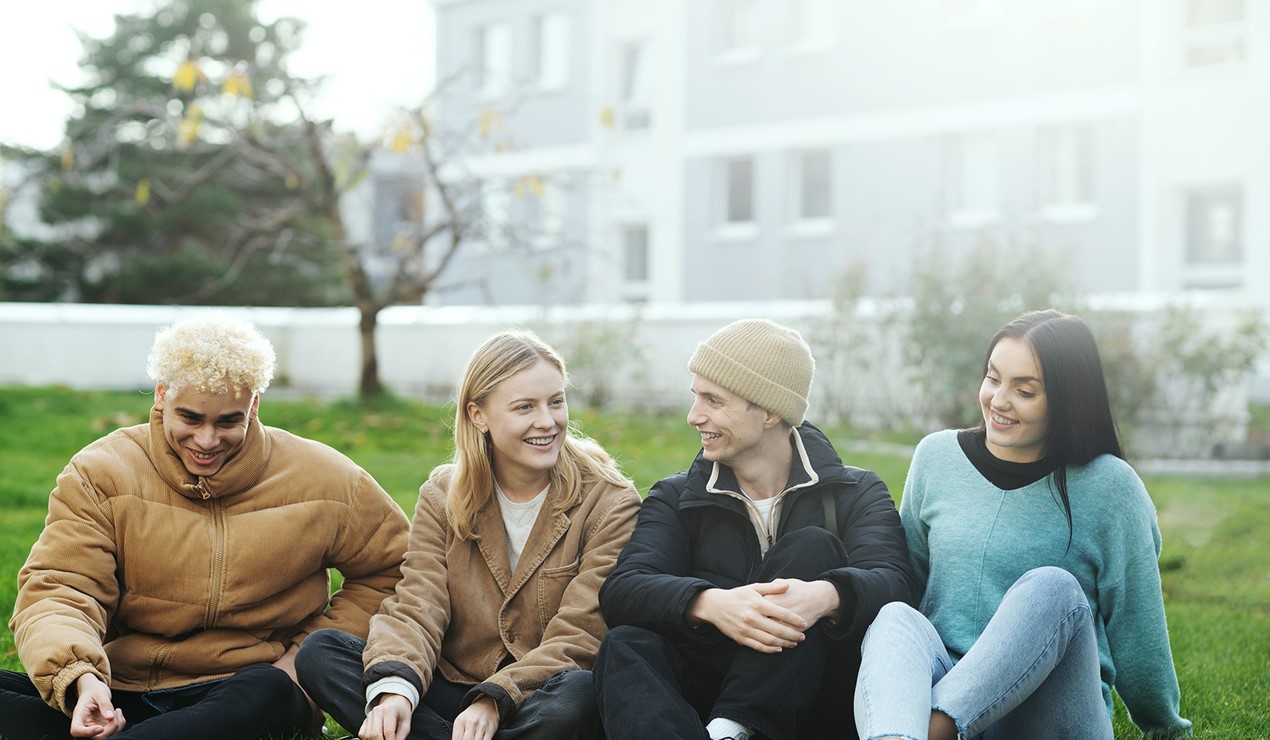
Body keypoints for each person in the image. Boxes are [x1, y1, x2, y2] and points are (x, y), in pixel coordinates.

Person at [0, 312, 410, 740]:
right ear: (161, 395)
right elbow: (61, 588)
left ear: (254, 406)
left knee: (264, 689)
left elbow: (396, 573)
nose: (208, 440)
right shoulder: (100, 471)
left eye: (228, 421)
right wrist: (83, 682)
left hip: (250, 688)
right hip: (124, 689)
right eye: (191, 418)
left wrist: (299, 664)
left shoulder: (328, 477)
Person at [854, 309, 1192, 740]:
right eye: (993, 378)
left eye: (1024, 390)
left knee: (1053, 588)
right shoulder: (936, 458)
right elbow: (911, 583)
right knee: (895, 616)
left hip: (1049, 712)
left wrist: (1164, 728)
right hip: (946, 682)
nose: (998, 400)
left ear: (1068, 401)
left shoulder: (1111, 488)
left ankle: (935, 733)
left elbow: (1138, 630)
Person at [295, 329, 641, 740]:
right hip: (449, 687)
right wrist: (396, 694)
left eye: (556, 402)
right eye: (524, 407)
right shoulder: (443, 495)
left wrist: (494, 698)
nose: (547, 422)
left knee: (579, 695)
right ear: (479, 415)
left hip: (539, 695)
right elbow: (418, 604)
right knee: (321, 654)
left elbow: (582, 635)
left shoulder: (610, 502)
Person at [594, 318, 917, 740]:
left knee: (814, 549)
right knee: (625, 645)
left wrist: (824, 597)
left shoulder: (855, 491)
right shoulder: (678, 496)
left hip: (816, 695)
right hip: (706, 687)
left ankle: (734, 730)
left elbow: (898, 584)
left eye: (713, 400)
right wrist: (712, 604)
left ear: (768, 411)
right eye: (696, 398)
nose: (694, 416)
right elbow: (623, 590)